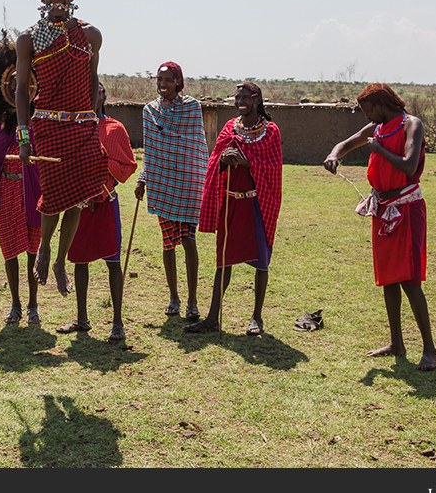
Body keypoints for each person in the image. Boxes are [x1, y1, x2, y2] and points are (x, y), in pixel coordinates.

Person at [324, 83, 436, 371]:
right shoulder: (377, 127)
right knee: (389, 278)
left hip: (407, 208)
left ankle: (430, 350)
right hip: (383, 208)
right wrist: (334, 155)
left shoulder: (411, 125)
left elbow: (409, 166)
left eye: (367, 110)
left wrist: (378, 148)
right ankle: (396, 342)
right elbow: (346, 144)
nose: (366, 117)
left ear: (381, 105)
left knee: (410, 281)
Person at [15, 0, 107, 298]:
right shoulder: (30, 38)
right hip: (48, 125)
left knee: (79, 198)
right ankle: (43, 248)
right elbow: (21, 90)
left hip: (82, 125)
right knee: (54, 194)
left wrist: (96, 122)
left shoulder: (90, 35)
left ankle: (59, 260)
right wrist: (24, 137)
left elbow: (93, 81)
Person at [186, 83, 282, 335]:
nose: (239, 101)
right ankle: (212, 318)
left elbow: (273, 168)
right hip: (230, 202)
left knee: (261, 262)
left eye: (244, 97)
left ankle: (257, 318)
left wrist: (246, 162)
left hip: (256, 204)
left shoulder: (270, 131)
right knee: (223, 262)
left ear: (256, 99)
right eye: (236, 97)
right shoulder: (230, 127)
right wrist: (223, 160)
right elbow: (214, 160)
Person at [0, 32, 44, 325]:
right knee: (9, 248)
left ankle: (32, 304)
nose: (19, 86)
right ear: (6, 85)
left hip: (33, 190)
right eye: (14, 82)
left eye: (24, 81)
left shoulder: (41, 117)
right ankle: (15, 304)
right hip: (6, 188)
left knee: (32, 248)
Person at [62, 82, 138, 341]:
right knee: (79, 261)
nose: (91, 95)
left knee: (113, 261)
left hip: (106, 202)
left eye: (96, 90)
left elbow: (128, 165)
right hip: (79, 205)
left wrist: (102, 161)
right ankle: (82, 318)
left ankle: (117, 322)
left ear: (103, 96)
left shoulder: (115, 128)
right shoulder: (73, 127)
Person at [134, 62, 208, 321]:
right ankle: (174, 297)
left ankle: (193, 301)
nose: (162, 84)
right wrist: (142, 179)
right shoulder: (149, 111)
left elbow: (197, 146)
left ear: (178, 81)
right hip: (163, 184)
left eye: (167, 79)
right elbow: (150, 151)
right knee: (168, 243)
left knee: (188, 240)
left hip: (187, 184)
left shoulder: (192, 108)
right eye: (159, 79)